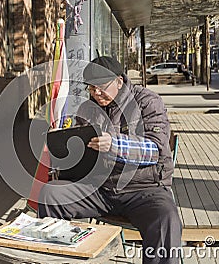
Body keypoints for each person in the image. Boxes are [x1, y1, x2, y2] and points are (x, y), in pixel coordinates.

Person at [38, 56, 182, 264]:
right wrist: (63, 141)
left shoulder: (148, 102)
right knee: (51, 194)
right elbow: (80, 149)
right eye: (91, 89)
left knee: (165, 219)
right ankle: (56, 259)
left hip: (144, 189)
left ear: (119, 81)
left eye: (102, 87)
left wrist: (114, 144)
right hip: (100, 188)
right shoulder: (88, 108)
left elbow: (156, 150)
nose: (97, 94)